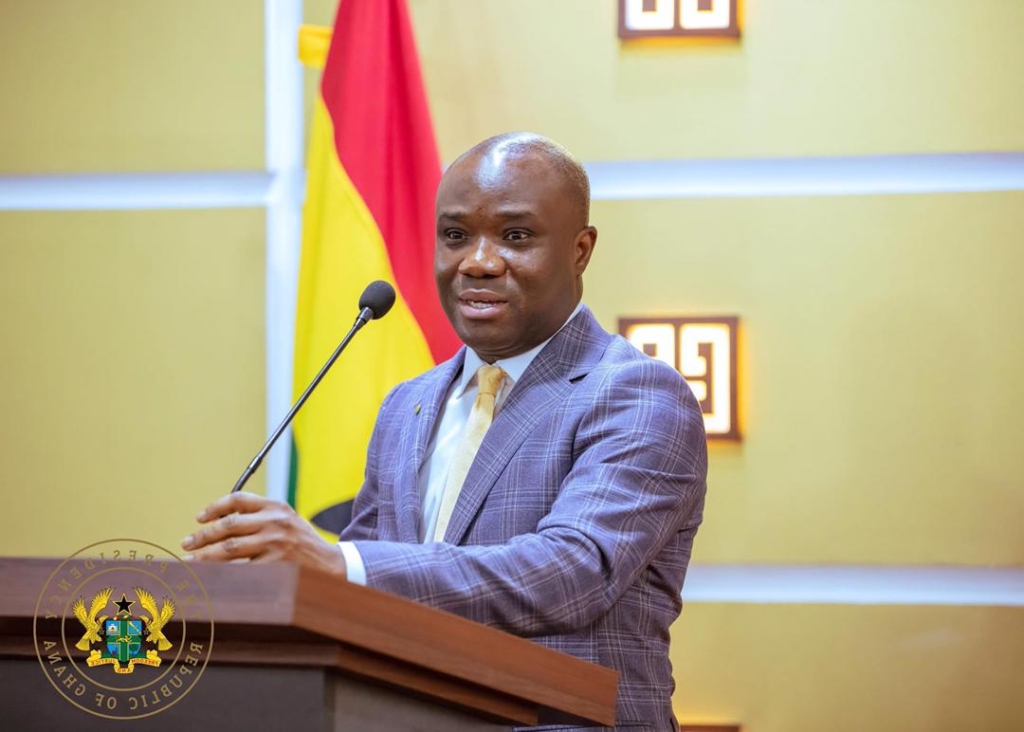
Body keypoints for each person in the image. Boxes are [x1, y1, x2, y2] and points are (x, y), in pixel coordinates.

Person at [184, 132, 708, 731]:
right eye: (455, 236)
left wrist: (338, 564)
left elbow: (571, 572)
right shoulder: (406, 406)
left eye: (516, 236)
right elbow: (355, 604)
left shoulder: (636, 394)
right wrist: (272, 583)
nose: (477, 261)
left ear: (580, 250)